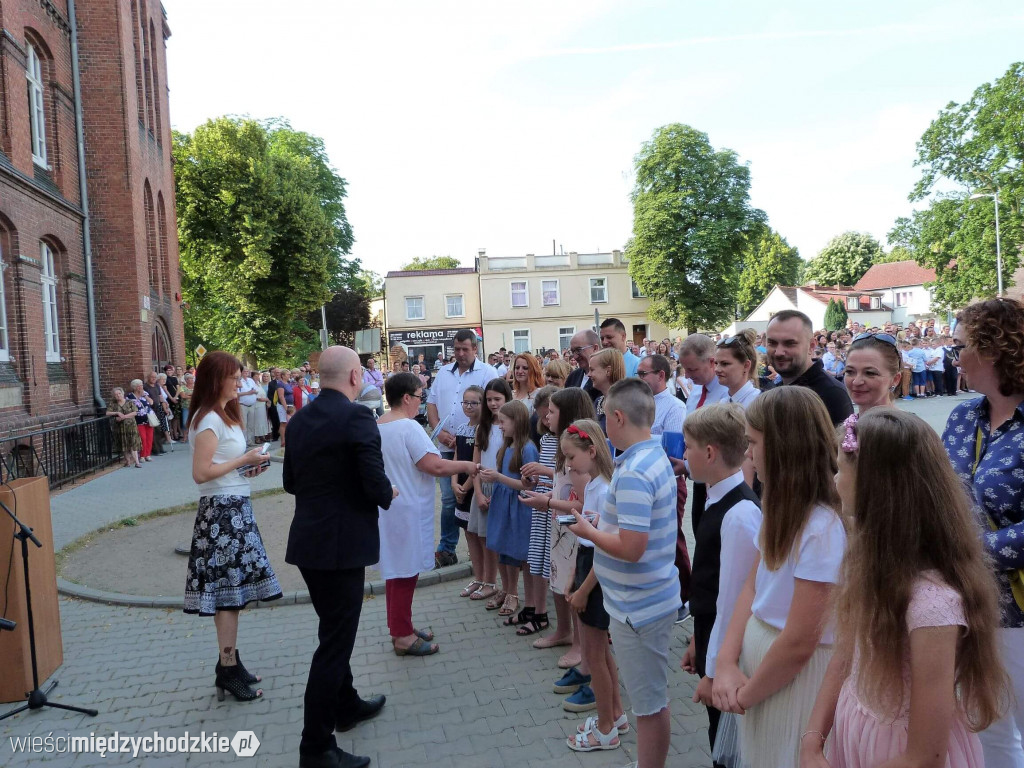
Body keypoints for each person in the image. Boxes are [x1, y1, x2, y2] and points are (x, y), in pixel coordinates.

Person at [804, 410, 1007, 768]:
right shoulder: (872, 562)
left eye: (841, 470)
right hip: (857, 730)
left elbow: (924, 757)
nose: (835, 481)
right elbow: (847, 656)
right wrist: (812, 740)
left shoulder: (932, 605)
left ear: (874, 486)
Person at [711, 387, 845, 768]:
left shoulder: (822, 527)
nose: (749, 454)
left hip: (793, 685)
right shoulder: (780, 511)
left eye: (753, 443)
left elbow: (802, 639)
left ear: (785, 447)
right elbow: (752, 588)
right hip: (764, 677)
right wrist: (725, 661)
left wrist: (747, 695)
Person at [283, 346, 396, 768]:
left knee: (334, 629)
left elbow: (291, 482)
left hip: (310, 544)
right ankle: (315, 748)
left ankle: (346, 705)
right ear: (353, 377)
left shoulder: (299, 421)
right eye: (363, 373)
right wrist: (387, 494)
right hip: (343, 546)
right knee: (333, 644)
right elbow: (374, 482)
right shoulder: (357, 417)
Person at [569, 378, 681, 768]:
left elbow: (632, 549)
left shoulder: (633, 470)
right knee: (650, 700)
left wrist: (587, 530)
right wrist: (602, 523)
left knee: (649, 705)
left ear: (617, 417)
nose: (604, 427)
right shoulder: (652, 456)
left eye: (605, 418)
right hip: (648, 598)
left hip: (639, 605)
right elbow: (636, 527)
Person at [943, 298, 1024, 767]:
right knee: (987, 732)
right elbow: (933, 492)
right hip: (966, 604)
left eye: (962, 346)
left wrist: (969, 551)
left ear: (993, 351)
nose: (956, 357)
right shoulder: (961, 417)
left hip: (1018, 609)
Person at [183, 351, 281, 704]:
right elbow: (201, 473)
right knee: (227, 593)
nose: (240, 382)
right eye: (234, 377)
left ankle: (230, 661)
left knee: (234, 593)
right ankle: (227, 668)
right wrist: (245, 459)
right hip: (222, 514)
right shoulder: (208, 419)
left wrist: (249, 468)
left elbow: (223, 467)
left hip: (234, 506)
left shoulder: (224, 415)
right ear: (216, 379)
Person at [680, 404, 761, 764]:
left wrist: (714, 673)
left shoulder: (740, 513)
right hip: (711, 636)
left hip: (730, 658)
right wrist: (699, 639)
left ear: (709, 452)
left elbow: (732, 602)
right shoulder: (716, 497)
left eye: (687, 446)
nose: (684, 454)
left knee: (728, 744)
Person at [376, 373, 477, 656]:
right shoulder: (408, 427)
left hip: (390, 507)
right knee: (405, 572)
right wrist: (468, 466)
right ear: (406, 398)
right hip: (407, 507)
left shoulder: (378, 425)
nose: (421, 404)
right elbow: (433, 466)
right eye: (420, 397)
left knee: (397, 571)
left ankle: (401, 626)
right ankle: (402, 635)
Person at [561, 419, 626, 752]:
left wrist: (583, 589)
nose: (569, 465)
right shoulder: (599, 484)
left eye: (572, 458)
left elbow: (603, 547)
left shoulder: (602, 488)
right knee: (601, 651)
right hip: (591, 569)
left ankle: (605, 729)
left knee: (594, 656)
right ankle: (615, 714)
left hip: (596, 576)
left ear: (592, 450)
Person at [426, 329, 497, 568]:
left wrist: (479, 431)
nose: (460, 353)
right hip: (447, 445)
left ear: (475, 349)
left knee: (473, 495)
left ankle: (484, 554)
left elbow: (494, 404)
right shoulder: (444, 372)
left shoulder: (488, 372)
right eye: (456, 349)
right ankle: (446, 549)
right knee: (449, 497)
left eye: (465, 349)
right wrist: (440, 432)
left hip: (476, 444)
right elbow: (431, 403)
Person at [480, 400, 539, 624]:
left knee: (519, 552)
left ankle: (517, 595)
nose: (501, 426)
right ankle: (506, 589)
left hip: (519, 507)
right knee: (502, 549)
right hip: (502, 505)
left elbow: (528, 485)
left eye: (503, 422)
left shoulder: (527, 449)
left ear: (517, 421)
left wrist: (497, 478)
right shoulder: (506, 447)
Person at [676, 333, 729, 566]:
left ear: (711, 362)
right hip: (699, 480)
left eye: (692, 369)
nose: (687, 376)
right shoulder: (696, 391)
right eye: (685, 369)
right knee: (700, 533)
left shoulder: (727, 392)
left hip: (720, 480)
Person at [765, 310, 854, 426]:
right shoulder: (771, 391)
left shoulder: (832, 394)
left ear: (811, 346)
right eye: (772, 343)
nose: (779, 352)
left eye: (789, 343)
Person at [470, 379, 514, 609]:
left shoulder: (511, 428)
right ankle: (490, 582)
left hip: (503, 487)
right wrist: (477, 492)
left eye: (498, 399)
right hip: (484, 487)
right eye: (489, 400)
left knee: (501, 541)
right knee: (484, 537)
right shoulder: (483, 427)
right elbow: (475, 465)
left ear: (507, 399)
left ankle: (508, 589)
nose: (493, 403)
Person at [454, 386, 488, 598]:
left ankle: (487, 579)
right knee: (468, 533)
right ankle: (477, 577)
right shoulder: (461, 427)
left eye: (473, 403)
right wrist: (453, 483)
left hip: (473, 489)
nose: (468, 406)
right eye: (465, 402)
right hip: (460, 489)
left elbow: (478, 462)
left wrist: (465, 487)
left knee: (480, 535)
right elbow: (456, 457)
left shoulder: (483, 430)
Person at [842, 332, 902, 413]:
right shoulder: (849, 424)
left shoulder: (907, 425)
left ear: (895, 379)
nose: (856, 382)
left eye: (869, 373)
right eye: (850, 371)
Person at [715, 331, 760, 410]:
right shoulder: (722, 403)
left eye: (725, 363)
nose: (717, 369)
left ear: (746, 365)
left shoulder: (759, 403)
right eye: (716, 363)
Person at [588, 348, 625, 433]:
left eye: (592, 370)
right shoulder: (598, 402)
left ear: (608, 371)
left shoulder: (624, 403)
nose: (589, 374)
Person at [106, 386, 142, 468]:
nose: (118, 395)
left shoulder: (129, 402)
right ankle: (128, 461)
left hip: (131, 426)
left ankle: (137, 462)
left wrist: (124, 416)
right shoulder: (113, 403)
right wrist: (117, 413)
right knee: (124, 444)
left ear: (123, 394)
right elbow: (107, 413)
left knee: (133, 443)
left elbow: (135, 412)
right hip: (120, 427)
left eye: (119, 393)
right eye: (116, 394)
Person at [564, 329, 602, 402]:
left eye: (578, 350)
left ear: (595, 348)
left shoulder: (605, 378)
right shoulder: (573, 376)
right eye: (572, 351)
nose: (575, 356)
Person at [127, 379, 156, 461]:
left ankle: (148, 454)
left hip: (149, 419)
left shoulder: (145, 394)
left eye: (141, 385)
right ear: (134, 387)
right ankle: (142, 455)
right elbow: (129, 408)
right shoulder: (130, 397)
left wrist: (145, 396)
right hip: (138, 420)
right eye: (138, 386)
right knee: (142, 438)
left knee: (149, 437)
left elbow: (151, 403)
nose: (140, 387)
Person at [237, 368, 261, 446]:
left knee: (251, 424)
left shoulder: (250, 380)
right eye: (244, 371)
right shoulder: (239, 381)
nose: (246, 373)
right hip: (243, 405)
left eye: (247, 371)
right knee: (244, 424)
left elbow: (256, 390)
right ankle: (244, 442)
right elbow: (237, 394)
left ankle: (250, 441)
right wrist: (248, 392)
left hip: (252, 405)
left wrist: (254, 391)